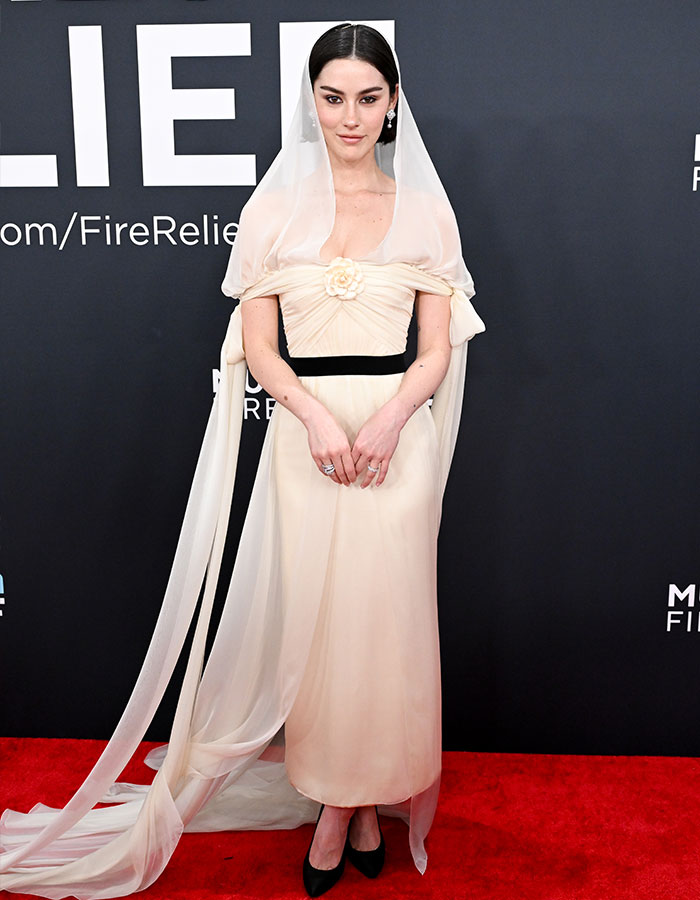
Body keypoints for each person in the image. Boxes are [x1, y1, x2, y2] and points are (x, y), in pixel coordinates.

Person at [0, 21, 485, 900]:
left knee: (388, 631)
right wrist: (313, 417)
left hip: (394, 446)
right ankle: (338, 802)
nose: (349, 116)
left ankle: (356, 805)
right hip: (307, 444)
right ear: (312, 102)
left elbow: (437, 350)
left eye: (367, 98)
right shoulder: (273, 211)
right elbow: (260, 348)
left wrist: (388, 422)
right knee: (320, 631)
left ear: (393, 105)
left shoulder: (426, 211)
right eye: (332, 97)